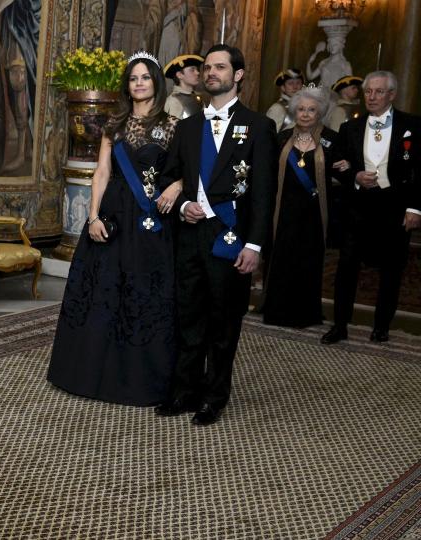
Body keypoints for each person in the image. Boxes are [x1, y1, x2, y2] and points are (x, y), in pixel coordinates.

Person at [47, 51, 181, 406]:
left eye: (145, 77)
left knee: (144, 292)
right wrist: (91, 217)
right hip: (115, 218)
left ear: (156, 82)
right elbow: (102, 173)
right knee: (105, 292)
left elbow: (186, 170)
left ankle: (142, 377)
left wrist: (177, 185)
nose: (138, 83)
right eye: (133, 78)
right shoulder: (114, 124)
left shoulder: (172, 125)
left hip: (151, 220)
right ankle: (92, 373)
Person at [155, 44, 276, 426]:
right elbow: (166, 176)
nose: (211, 73)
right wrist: (181, 201)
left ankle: (214, 396)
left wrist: (254, 244)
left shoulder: (259, 126)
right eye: (207, 67)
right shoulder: (188, 127)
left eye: (220, 67)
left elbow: (263, 191)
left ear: (237, 75)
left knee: (224, 322)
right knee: (188, 315)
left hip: (231, 236)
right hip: (190, 234)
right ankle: (184, 390)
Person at [321, 71, 421, 345]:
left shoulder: (412, 125)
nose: (371, 97)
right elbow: (336, 162)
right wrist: (354, 175)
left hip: (395, 207)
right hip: (358, 207)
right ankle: (339, 325)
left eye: (378, 92)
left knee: (392, 270)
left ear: (391, 95)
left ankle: (381, 327)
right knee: (346, 268)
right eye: (368, 92)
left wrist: (415, 208)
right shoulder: (350, 127)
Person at [262, 84, 346, 328]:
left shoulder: (332, 140)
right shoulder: (282, 138)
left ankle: (305, 314)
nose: (306, 114)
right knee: (281, 260)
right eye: (301, 109)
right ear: (294, 112)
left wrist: (347, 168)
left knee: (308, 261)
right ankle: (275, 311)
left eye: (311, 109)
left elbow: (343, 170)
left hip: (314, 213)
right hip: (284, 211)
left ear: (319, 112)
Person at [164, 53, 203, 119]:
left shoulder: (197, 97)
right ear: (179, 75)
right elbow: (173, 128)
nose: (197, 73)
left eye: (197, 70)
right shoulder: (174, 101)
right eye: (192, 70)